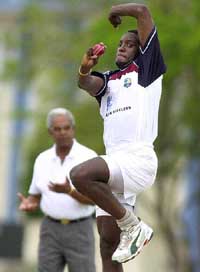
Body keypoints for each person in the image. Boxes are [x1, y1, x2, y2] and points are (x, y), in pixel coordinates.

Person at [69, 3, 167, 272]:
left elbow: (143, 11)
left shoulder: (148, 70)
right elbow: (86, 84)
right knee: (108, 245)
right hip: (116, 166)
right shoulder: (110, 79)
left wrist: (115, 10)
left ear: (142, 51)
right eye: (120, 43)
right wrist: (84, 68)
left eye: (129, 44)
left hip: (137, 159)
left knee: (79, 175)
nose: (122, 47)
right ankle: (129, 225)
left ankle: (133, 224)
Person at [18, 108, 97, 272]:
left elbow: (96, 199)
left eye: (66, 128)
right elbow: (35, 195)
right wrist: (30, 203)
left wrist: (70, 191)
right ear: (50, 132)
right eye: (57, 129)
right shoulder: (42, 159)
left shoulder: (88, 157)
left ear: (73, 129)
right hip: (50, 229)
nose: (63, 132)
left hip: (80, 229)